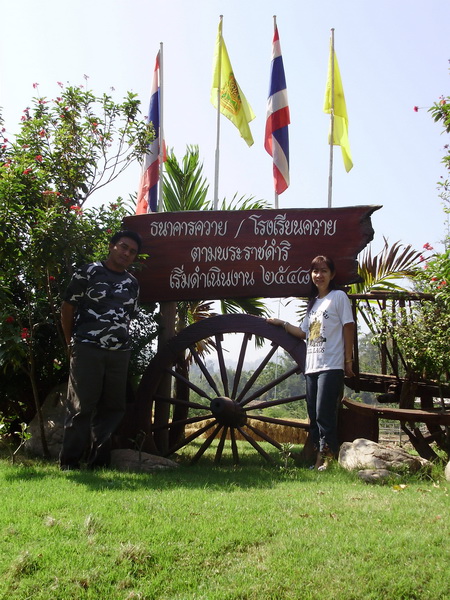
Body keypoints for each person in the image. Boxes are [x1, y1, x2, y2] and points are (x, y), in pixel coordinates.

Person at [59, 230, 142, 470]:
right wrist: (70, 342)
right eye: (123, 247)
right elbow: (67, 307)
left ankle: (99, 463)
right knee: (81, 406)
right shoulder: (88, 272)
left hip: (119, 353)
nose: (126, 253)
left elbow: (129, 316)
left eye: (132, 252)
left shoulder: (132, 283)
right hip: (87, 348)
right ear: (112, 246)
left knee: (113, 408)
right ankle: (70, 463)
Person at [268, 255, 355, 470]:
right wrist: (281, 323)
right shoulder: (314, 304)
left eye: (324, 270)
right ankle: (320, 459)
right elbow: (303, 333)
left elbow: (348, 326)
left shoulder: (338, 297)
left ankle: (327, 460)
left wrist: (348, 359)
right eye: (315, 271)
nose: (319, 275)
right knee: (314, 416)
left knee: (325, 414)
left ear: (332, 274)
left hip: (331, 365)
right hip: (312, 366)